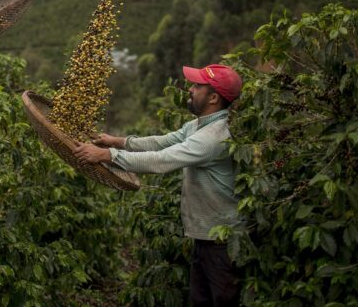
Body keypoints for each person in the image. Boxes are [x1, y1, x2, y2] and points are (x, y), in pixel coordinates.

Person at [74, 64, 243, 307]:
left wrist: (107, 155)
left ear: (214, 97)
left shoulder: (214, 137)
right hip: (205, 236)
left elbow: (162, 160)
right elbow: (162, 143)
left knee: (222, 301)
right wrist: (118, 141)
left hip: (222, 241)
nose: (190, 89)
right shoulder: (199, 125)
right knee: (200, 299)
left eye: (197, 86)